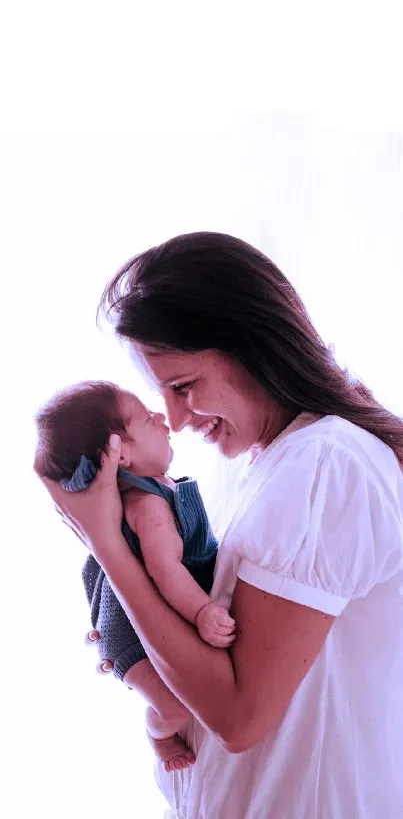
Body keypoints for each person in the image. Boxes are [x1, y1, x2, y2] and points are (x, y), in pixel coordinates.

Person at [38, 232, 403, 819]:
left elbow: (238, 717)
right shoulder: (275, 462)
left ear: (252, 346)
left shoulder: (324, 464)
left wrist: (105, 542)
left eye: (184, 387)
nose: (177, 420)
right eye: (163, 395)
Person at [34, 380, 235, 772]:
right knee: (175, 708)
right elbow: (166, 573)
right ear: (118, 453)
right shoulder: (147, 506)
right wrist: (202, 612)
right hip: (127, 633)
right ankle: (158, 734)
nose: (162, 417)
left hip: (140, 612)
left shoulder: (158, 489)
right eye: (146, 417)